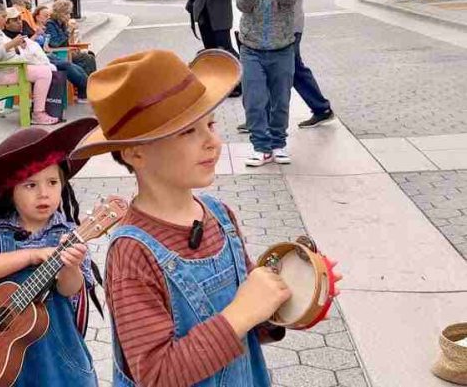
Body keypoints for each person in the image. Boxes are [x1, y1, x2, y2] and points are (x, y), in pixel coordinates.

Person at [68, 49, 335, 387]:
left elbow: (251, 323)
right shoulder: (132, 253)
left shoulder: (220, 215)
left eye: (210, 124)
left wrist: (286, 301)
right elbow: (155, 374)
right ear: (136, 152)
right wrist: (242, 312)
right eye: (188, 132)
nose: (212, 142)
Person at [0, 118, 102, 386]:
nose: (43, 194)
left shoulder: (68, 233)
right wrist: (32, 255)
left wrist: (70, 265)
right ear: (10, 192)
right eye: (30, 185)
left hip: (59, 351)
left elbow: (71, 290)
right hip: (6, 351)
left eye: (52, 182)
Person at [263, 0, 336, 130]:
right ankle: (321, 108)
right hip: (274, 24)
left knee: (288, 69)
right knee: (293, 69)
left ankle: (320, 108)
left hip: (289, 24)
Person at [235, 0, 297, 166]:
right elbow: (242, 5)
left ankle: (278, 143)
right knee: (254, 100)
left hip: (282, 49)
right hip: (252, 50)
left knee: (280, 100)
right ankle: (261, 147)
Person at [0, 3, 58, 125]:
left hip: (10, 68)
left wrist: (18, 45)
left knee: (47, 67)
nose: (5, 20)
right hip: (1, 72)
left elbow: (5, 48)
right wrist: (12, 44)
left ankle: (39, 107)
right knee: (44, 73)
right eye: (3, 17)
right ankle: (38, 113)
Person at [8, 9, 88, 102]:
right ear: (6, 23)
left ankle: (87, 88)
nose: (19, 22)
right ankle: (85, 89)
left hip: (42, 53)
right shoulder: (7, 36)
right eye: (15, 20)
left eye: (19, 18)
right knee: (67, 65)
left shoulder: (25, 25)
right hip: (32, 59)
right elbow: (25, 47)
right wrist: (36, 35)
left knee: (73, 63)